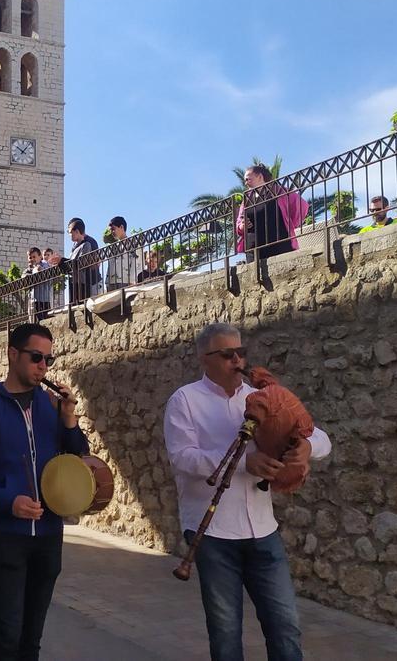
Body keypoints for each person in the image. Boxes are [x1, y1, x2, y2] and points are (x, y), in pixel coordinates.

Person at [164, 322, 332, 661]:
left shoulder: (265, 397)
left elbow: (320, 436)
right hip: (213, 533)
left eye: (241, 353)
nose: (238, 361)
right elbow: (183, 458)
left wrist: (307, 448)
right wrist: (244, 463)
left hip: (262, 528)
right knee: (226, 635)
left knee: (285, 626)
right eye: (228, 355)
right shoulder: (185, 400)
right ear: (204, 358)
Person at [0, 323, 86, 660]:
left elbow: (76, 459)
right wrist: (7, 501)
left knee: (31, 640)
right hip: (6, 537)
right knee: (6, 637)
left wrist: (69, 419)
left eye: (48, 360)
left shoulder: (50, 405)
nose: (43, 366)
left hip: (49, 536)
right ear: (13, 354)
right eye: (36, 357)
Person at [234, 164, 308, 261]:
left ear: (260, 177)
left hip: (280, 247)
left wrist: (290, 224)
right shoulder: (247, 200)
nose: (246, 183)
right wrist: (241, 227)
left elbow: (302, 206)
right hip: (254, 252)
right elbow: (239, 222)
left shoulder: (279, 192)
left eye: (248, 179)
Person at [67, 218, 101, 303]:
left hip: (91, 281)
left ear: (77, 231)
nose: (69, 235)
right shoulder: (75, 244)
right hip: (79, 283)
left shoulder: (89, 242)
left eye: (70, 232)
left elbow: (95, 262)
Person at [105, 216, 139, 292]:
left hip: (125, 281)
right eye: (111, 230)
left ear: (121, 227)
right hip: (111, 282)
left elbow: (134, 262)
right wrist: (107, 281)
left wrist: (132, 281)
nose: (112, 232)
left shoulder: (132, 243)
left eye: (113, 229)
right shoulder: (113, 246)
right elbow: (110, 264)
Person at [27, 247, 52, 314]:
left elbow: (49, 275)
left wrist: (41, 270)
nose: (32, 259)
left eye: (34, 257)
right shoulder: (30, 269)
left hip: (43, 300)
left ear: (40, 256)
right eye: (30, 257)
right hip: (33, 300)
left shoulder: (45, 264)